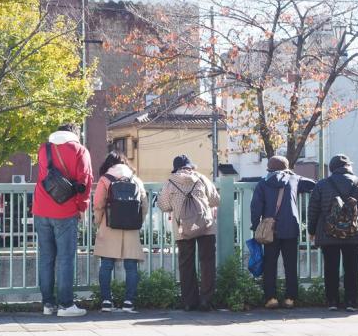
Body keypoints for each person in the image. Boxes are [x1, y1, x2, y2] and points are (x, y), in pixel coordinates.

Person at [33, 124, 92, 317]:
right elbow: (85, 182)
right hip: (65, 210)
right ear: (76, 135)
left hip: (41, 208)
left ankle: (48, 304)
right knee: (65, 258)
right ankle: (66, 305)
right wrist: (82, 207)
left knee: (46, 258)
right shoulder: (80, 150)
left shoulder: (44, 148)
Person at [307, 154, 358, 312]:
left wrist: (311, 230)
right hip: (353, 231)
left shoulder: (322, 184)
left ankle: (332, 301)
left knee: (331, 267)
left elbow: (313, 209)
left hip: (328, 232)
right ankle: (351, 301)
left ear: (332, 168)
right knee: (352, 268)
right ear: (348, 166)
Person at [250, 156, 315, 309]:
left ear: (269, 169)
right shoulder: (294, 180)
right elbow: (313, 184)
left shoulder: (263, 183)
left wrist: (255, 226)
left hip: (270, 230)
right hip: (290, 227)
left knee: (269, 264)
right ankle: (290, 298)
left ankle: (271, 298)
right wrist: (293, 175)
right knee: (290, 265)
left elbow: (255, 207)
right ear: (286, 168)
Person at [157, 155, 220, 311]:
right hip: (205, 226)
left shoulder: (170, 182)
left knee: (186, 264)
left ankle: (189, 302)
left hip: (182, 228)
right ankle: (206, 300)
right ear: (190, 167)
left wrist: (177, 205)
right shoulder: (202, 179)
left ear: (175, 168)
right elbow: (215, 200)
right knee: (207, 262)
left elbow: (163, 205)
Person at [93, 151, 148, 313]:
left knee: (106, 265)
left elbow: (98, 204)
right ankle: (128, 302)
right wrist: (137, 222)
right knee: (131, 266)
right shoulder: (135, 179)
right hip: (131, 227)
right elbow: (144, 205)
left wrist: (99, 222)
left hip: (109, 225)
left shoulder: (105, 179)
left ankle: (106, 302)